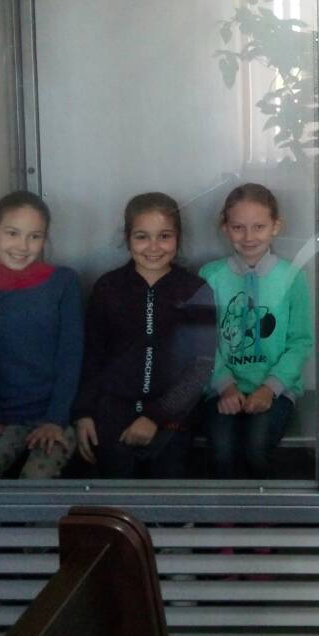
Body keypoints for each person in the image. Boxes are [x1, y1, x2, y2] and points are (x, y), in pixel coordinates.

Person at [72, 193, 216, 479]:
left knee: (166, 487)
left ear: (178, 238)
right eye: (142, 236)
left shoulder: (195, 290)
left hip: (173, 414)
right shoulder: (108, 288)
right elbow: (92, 356)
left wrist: (155, 417)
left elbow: (201, 367)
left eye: (164, 236)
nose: (153, 247)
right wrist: (83, 413)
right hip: (113, 410)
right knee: (116, 485)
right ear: (127, 238)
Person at [0, 191, 83, 479]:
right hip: (2, 420)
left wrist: (56, 419)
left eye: (34, 236)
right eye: (12, 233)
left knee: (36, 482)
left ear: (44, 239)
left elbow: (71, 356)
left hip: (58, 416)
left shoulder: (63, 283)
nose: (23, 246)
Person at [201, 183, 313, 478]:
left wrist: (270, 388)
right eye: (238, 227)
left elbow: (300, 341)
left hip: (276, 389)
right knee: (222, 449)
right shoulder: (210, 276)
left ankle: (266, 506)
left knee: (257, 446)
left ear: (276, 226)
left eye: (259, 227)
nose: (249, 237)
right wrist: (225, 385)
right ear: (225, 228)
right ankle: (226, 509)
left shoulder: (292, 276)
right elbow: (201, 340)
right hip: (221, 388)